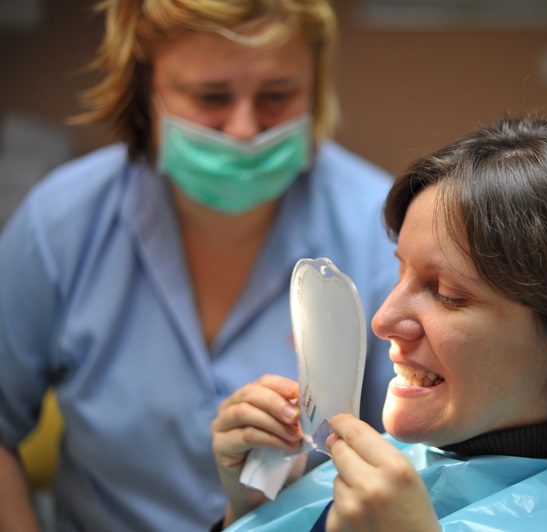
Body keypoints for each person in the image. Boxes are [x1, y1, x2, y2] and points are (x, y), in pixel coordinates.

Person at [210, 116, 547, 530]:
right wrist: (251, 507)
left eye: (446, 294)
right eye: (400, 272)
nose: (383, 320)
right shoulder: (400, 469)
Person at [0, 1, 397, 530]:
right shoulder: (62, 223)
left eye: (277, 95)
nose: (243, 129)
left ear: (316, 83)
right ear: (147, 85)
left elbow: (418, 447)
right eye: (210, 96)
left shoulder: (381, 229)